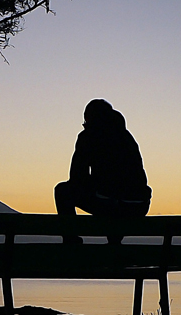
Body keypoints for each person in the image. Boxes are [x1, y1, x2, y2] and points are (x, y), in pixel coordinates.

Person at [54, 99, 152, 243]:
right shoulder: (126, 137)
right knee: (110, 197)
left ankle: (71, 241)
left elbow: (77, 177)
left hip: (111, 204)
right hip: (138, 206)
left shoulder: (88, 136)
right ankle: (114, 246)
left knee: (63, 191)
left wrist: (90, 184)